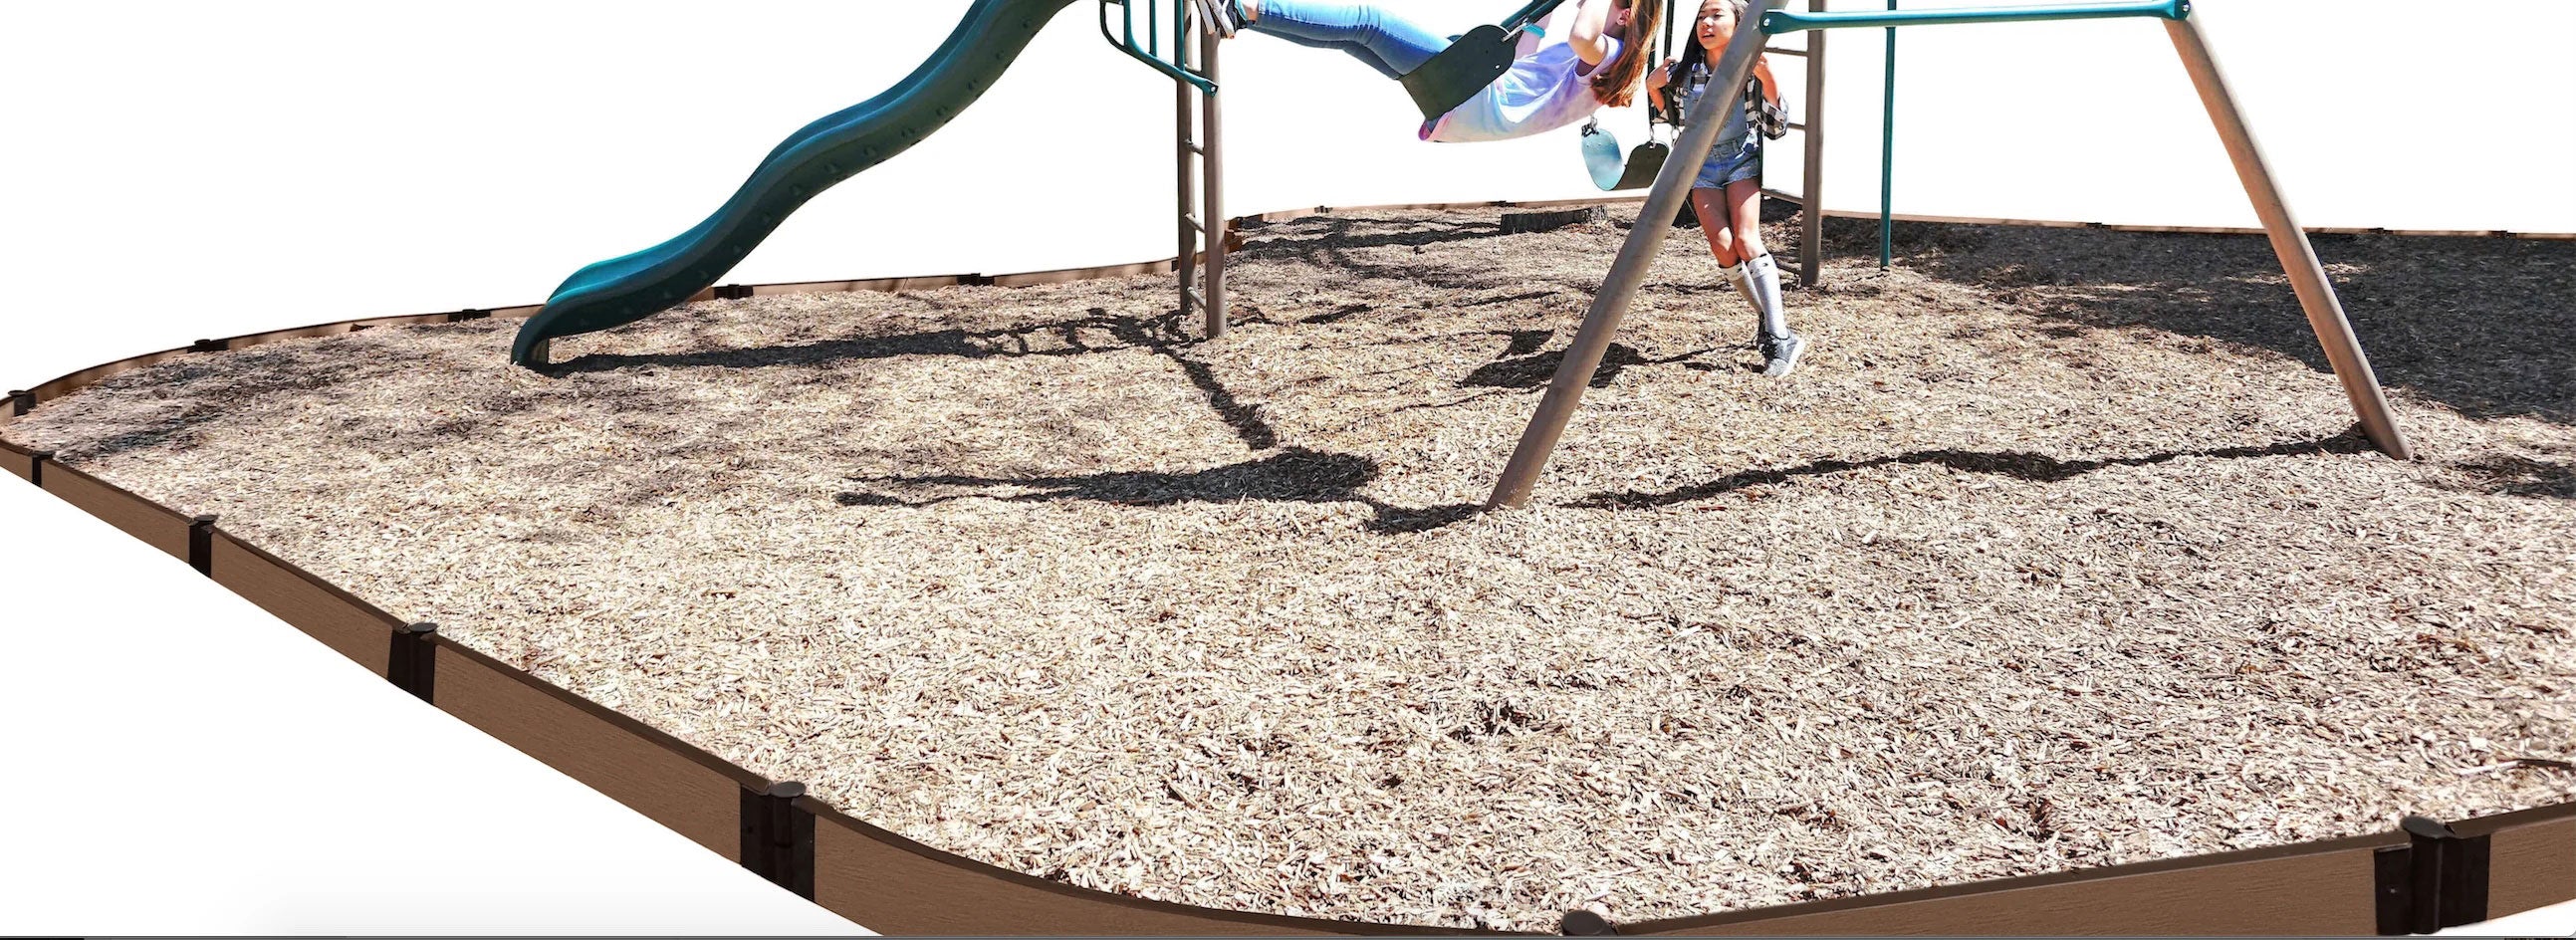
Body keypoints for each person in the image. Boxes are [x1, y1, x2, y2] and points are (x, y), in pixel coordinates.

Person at [1191, 0, 1663, 143]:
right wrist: (1537, 18)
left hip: (1474, 92)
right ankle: (1242, 18)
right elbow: (1520, 59)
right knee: (1353, 38)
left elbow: (1583, 34)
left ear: (1623, 15)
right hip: (1469, 107)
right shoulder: (1596, 67)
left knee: (1367, 21)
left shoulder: (1610, 51)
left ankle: (1245, 6)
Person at [1646, 0, 1801, 376]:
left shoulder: (1747, 67)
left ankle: (1780, 338)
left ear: (1739, 23)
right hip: (1699, 166)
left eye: (1717, 15)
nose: (1707, 23)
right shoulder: (1685, 71)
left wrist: (1769, 82)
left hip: (1740, 159)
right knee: (1722, 246)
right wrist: (1654, 90)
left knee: (1748, 240)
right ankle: (1769, 318)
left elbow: (1775, 129)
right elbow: (1670, 119)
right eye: (1702, 16)